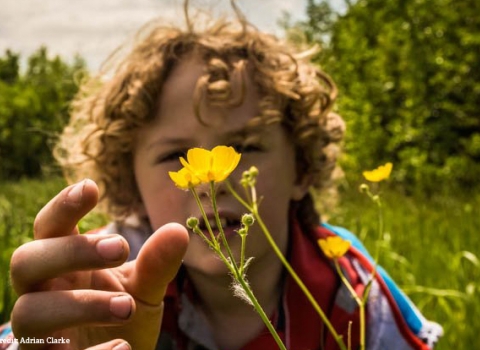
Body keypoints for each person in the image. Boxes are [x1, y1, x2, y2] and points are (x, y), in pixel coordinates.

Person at [0, 2, 443, 350]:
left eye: (244, 147)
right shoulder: (102, 276)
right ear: (130, 185)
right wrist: (43, 343)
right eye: (176, 154)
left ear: (301, 169)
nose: (209, 182)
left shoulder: (353, 290)